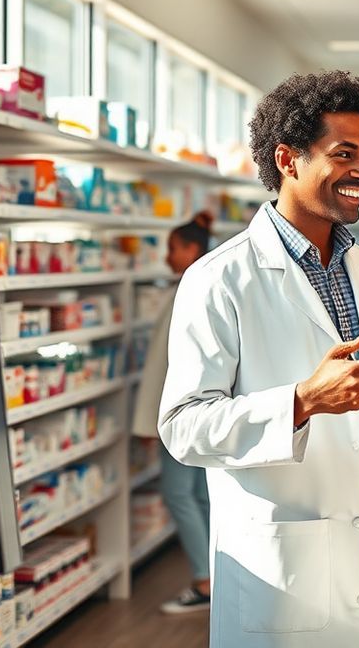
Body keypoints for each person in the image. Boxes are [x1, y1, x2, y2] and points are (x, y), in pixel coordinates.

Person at [158, 70, 359, 648]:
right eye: (345, 154)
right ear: (288, 159)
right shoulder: (219, 278)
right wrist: (302, 401)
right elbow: (183, 427)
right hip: (288, 558)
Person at [131, 213, 215, 614]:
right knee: (199, 494)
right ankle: (217, 573)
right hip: (204, 411)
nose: (168, 257)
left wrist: (149, 421)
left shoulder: (190, 289)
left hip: (181, 415)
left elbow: (165, 367)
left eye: (174, 248)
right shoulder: (202, 284)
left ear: (192, 249)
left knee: (178, 493)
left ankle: (204, 580)